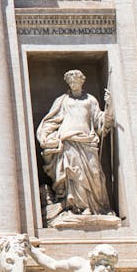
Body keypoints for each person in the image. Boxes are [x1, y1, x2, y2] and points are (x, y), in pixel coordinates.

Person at [36, 70, 113, 216]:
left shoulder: (91, 100)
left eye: (75, 81)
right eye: (70, 82)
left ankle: (96, 206)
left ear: (82, 81)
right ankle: (81, 208)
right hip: (68, 140)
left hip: (87, 141)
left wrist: (109, 107)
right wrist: (45, 136)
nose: (73, 84)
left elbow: (100, 121)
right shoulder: (62, 101)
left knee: (94, 173)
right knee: (74, 175)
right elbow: (51, 120)